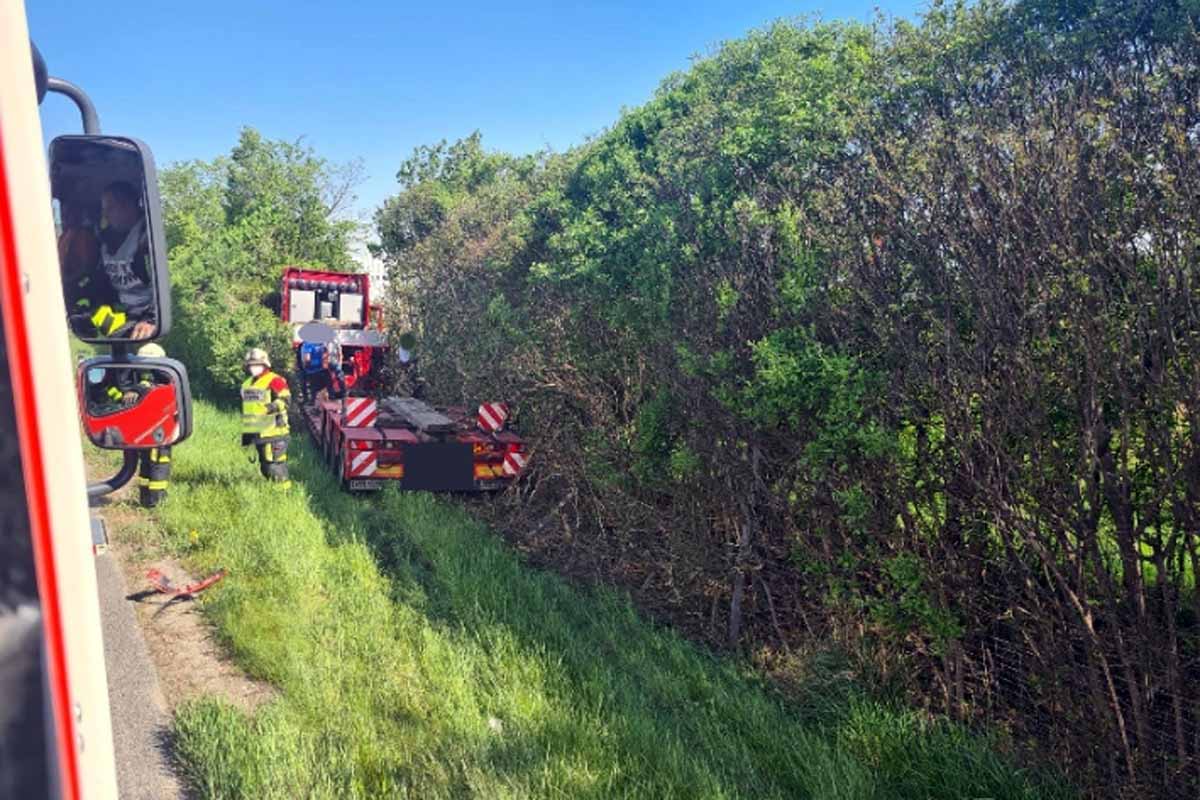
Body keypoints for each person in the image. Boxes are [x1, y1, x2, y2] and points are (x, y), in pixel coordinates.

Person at [97, 181, 156, 340]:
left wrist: (151, 319)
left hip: (150, 318)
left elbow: (164, 285)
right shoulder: (105, 240)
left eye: (110, 209)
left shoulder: (147, 237)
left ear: (128, 206)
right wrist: (105, 325)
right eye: (104, 210)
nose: (105, 216)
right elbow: (102, 287)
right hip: (126, 314)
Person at [240, 347, 291, 487]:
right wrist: (247, 435)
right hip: (258, 433)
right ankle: (275, 494)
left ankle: (284, 496)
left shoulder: (275, 380)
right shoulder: (246, 384)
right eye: (251, 365)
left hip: (275, 432)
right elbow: (249, 410)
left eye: (257, 365)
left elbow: (285, 401)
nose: (253, 368)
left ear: (265, 364)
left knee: (275, 467)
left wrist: (268, 408)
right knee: (265, 468)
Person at [133, 342, 172, 507]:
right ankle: (153, 501)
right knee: (154, 464)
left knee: (153, 464)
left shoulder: (165, 380)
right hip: (153, 430)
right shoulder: (140, 380)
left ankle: (151, 500)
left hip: (155, 429)